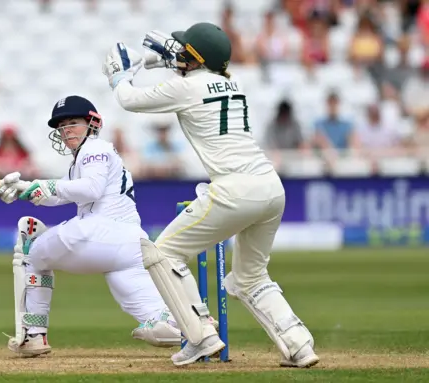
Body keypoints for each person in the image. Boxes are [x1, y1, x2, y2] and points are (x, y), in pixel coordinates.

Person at [102, 23, 319, 367]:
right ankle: (299, 344)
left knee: (165, 254)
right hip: (270, 189)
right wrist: (174, 61)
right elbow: (199, 78)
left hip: (234, 190)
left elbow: (129, 100)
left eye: (185, 50)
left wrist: (119, 77)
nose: (179, 53)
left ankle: (200, 335)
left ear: (195, 57)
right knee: (251, 277)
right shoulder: (235, 82)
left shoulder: (186, 88)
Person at [0, 95, 181, 357]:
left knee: (33, 249)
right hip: (131, 245)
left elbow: (91, 189)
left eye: (73, 123)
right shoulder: (86, 157)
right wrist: (23, 188)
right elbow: (60, 193)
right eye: (62, 126)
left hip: (100, 231)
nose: (66, 130)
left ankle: (34, 335)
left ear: (92, 123)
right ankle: (197, 330)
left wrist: (42, 186)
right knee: (164, 322)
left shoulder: (94, 148)